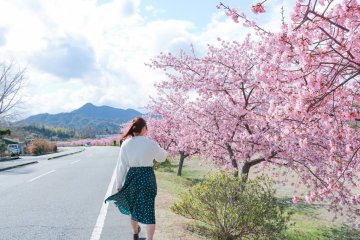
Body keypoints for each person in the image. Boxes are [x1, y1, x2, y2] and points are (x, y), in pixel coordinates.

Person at [105, 117, 167, 240]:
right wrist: (162, 150)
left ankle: (135, 234)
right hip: (147, 176)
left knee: (134, 208)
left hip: (132, 177)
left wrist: (119, 184)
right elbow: (162, 158)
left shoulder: (126, 144)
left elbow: (121, 165)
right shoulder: (150, 143)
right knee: (149, 210)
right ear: (144, 128)